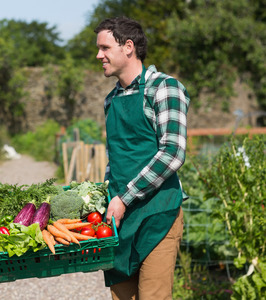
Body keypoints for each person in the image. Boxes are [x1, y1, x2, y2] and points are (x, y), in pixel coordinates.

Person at [95, 17, 190, 299]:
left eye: (104, 47)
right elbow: (116, 159)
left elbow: (173, 153)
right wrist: (103, 197)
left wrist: (124, 198)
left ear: (128, 46)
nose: (98, 55)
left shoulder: (164, 88)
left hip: (157, 213)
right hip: (120, 220)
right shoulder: (110, 99)